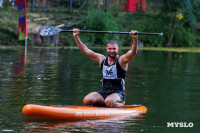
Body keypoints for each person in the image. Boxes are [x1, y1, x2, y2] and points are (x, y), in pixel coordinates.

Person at [73, 29, 138, 108]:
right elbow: (86, 51)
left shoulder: (122, 60)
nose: (112, 51)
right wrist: (76, 36)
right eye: (110, 49)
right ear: (106, 49)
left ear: (118, 49)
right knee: (87, 100)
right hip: (104, 92)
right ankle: (105, 105)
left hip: (118, 93)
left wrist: (135, 38)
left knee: (109, 101)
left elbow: (133, 53)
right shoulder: (102, 59)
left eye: (114, 49)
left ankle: (120, 104)